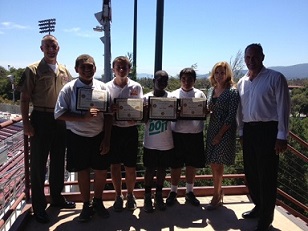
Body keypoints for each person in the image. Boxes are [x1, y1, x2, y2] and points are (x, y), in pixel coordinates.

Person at [19, 35, 75, 224]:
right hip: (41, 119)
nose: (51, 49)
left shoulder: (64, 70)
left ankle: (57, 198)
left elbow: (72, 95)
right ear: (41, 48)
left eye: (54, 46)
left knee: (58, 161)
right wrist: (26, 123)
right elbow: (25, 98)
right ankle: (39, 206)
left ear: (59, 48)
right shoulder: (33, 69)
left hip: (60, 119)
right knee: (38, 165)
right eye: (48, 46)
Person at [237, 43, 290, 231]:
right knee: (251, 173)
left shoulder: (275, 78)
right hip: (250, 132)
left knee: (267, 176)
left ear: (262, 57)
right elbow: (240, 110)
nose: (251, 61)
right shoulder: (242, 82)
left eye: (255, 57)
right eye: (248, 58)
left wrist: (282, 136)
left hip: (268, 131)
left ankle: (266, 218)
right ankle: (259, 207)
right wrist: (241, 132)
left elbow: (284, 108)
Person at [54, 54, 112, 222]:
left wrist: (107, 139)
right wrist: (83, 118)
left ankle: (98, 201)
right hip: (77, 136)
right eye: (83, 67)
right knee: (83, 172)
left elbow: (108, 115)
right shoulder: (69, 88)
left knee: (101, 171)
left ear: (95, 68)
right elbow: (58, 114)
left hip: (99, 135)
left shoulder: (103, 87)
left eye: (90, 66)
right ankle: (86, 205)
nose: (87, 70)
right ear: (76, 69)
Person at [106, 56, 143, 212]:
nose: (121, 70)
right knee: (114, 166)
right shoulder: (106, 87)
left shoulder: (136, 87)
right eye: (118, 67)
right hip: (113, 130)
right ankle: (118, 196)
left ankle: (130, 195)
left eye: (125, 67)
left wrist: (135, 114)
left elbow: (140, 109)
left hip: (130, 130)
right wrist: (110, 109)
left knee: (130, 166)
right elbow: (102, 108)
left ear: (130, 69)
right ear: (113, 69)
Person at [166, 67, 206, 207]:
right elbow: (168, 115)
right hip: (177, 134)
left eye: (190, 79)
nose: (187, 82)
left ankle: (189, 192)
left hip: (195, 134)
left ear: (194, 80)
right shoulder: (173, 95)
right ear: (180, 80)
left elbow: (204, 114)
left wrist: (205, 112)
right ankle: (173, 192)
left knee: (191, 165)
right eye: (184, 79)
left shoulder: (200, 94)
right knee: (175, 165)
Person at [205, 61, 239, 210]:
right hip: (212, 127)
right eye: (217, 72)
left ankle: (216, 196)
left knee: (218, 163)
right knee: (213, 162)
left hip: (225, 131)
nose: (219, 76)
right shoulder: (212, 90)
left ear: (228, 74)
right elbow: (209, 109)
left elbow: (231, 116)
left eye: (222, 73)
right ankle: (219, 191)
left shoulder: (232, 92)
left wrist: (220, 134)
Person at [142, 70, 174, 213]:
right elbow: (142, 120)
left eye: (165, 81)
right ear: (153, 80)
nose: (162, 83)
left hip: (166, 141)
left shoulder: (171, 97)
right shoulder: (145, 98)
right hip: (150, 142)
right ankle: (147, 197)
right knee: (149, 170)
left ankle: (159, 195)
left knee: (162, 170)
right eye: (159, 80)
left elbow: (175, 118)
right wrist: (146, 111)